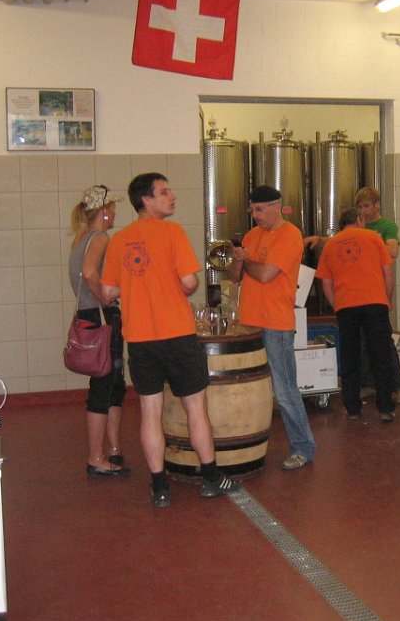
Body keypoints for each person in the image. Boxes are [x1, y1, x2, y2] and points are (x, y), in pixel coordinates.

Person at [101, 172, 239, 507]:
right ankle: (211, 478)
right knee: (196, 408)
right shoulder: (173, 232)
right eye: (164, 192)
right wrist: (168, 285)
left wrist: (137, 287)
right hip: (177, 334)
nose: (172, 196)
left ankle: (160, 486)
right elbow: (190, 283)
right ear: (145, 199)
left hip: (140, 339)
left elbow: (107, 292)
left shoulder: (119, 240)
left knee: (150, 411)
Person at [229, 185, 316, 471]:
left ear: (276, 207)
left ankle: (303, 447)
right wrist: (237, 260)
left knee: (285, 390)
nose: (255, 215)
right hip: (250, 323)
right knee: (253, 387)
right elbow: (235, 277)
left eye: (259, 209)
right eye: (252, 210)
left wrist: (246, 261)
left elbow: (266, 274)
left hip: (276, 324)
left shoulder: (290, 235)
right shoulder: (252, 236)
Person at [68, 185, 130, 477]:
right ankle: (96, 458)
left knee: (114, 381)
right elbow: (90, 273)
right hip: (101, 315)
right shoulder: (100, 238)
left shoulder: (81, 237)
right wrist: (105, 298)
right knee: (105, 384)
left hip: (89, 314)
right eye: (112, 209)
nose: (115, 214)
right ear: (103, 212)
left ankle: (114, 449)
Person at [315, 208, 397, 422]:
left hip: (346, 306)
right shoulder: (373, 237)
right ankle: (385, 408)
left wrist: (338, 306)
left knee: (350, 357)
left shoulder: (330, 245)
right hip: (375, 303)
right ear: (359, 220)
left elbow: (326, 284)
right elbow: (388, 272)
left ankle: (352, 408)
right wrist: (387, 299)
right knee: (381, 355)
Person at [353, 186, 400, 405]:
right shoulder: (358, 226)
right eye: (360, 207)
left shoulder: (387, 226)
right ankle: (369, 384)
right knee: (362, 341)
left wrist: (368, 243)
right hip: (359, 290)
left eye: (366, 206)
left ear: (376, 204)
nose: (363, 210)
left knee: (384, 340)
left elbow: (393, 250)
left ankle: (399, 386)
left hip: (377, 291)